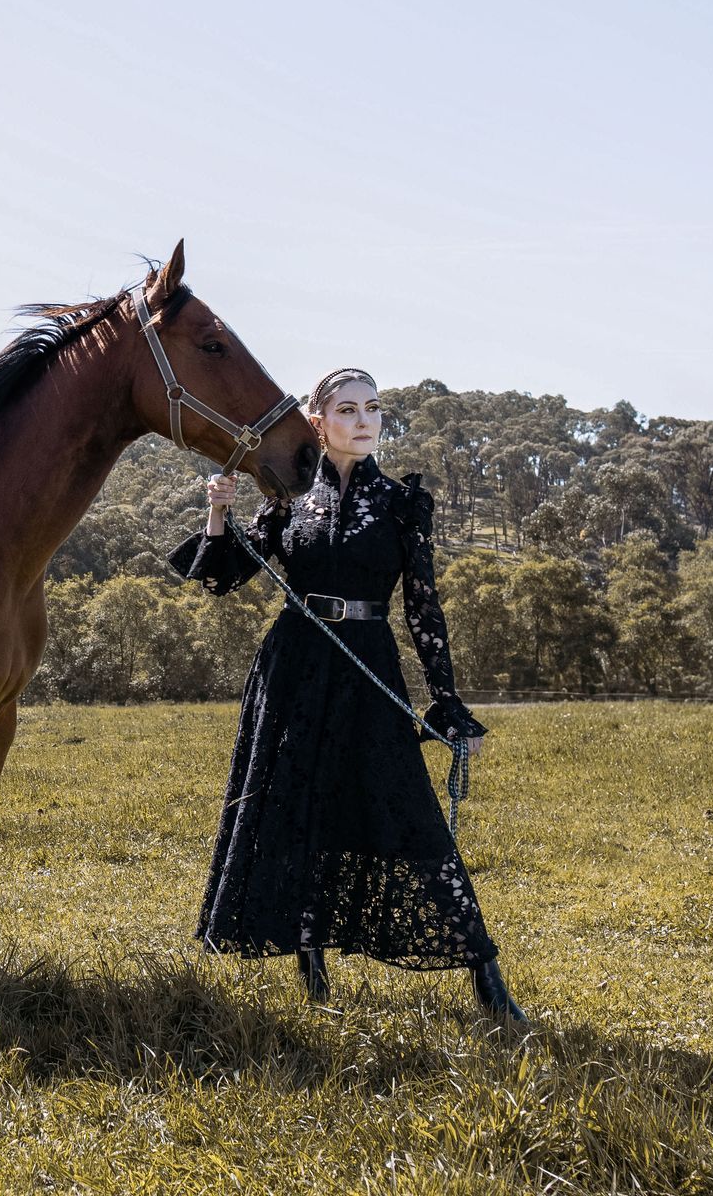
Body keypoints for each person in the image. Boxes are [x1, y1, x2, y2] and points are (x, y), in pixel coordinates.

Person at [166, 367, 529, 1024]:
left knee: (413, 821)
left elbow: (423, 606)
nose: (364, 422)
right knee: (297, 813)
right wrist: (218, 513)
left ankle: (489, 981)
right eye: (348, 410)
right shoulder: (282, 500)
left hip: (369, 667)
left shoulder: (399, 503)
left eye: (374, 409)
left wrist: (445, 701)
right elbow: (228, 575)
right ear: (317, 422)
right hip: (293, 669)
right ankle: (312, 971)